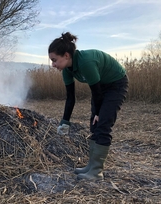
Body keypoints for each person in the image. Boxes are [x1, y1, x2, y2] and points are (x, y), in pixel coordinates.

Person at [48, 32, 128, 181]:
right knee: (94, 125)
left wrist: (98, 112)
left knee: (102, 124)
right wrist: (65, 122)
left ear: (66, 55)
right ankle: (91, 166)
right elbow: (71, 97)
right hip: (101, 87)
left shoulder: (86, 62)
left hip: (116, 84)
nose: (53, 65)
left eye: (54, 60)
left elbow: (96, 93)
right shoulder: (66, 70)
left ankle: (96, 172)